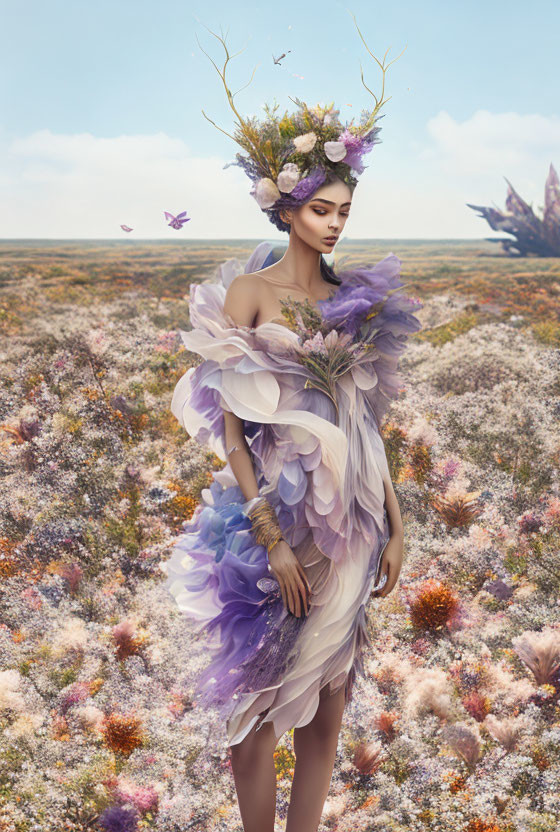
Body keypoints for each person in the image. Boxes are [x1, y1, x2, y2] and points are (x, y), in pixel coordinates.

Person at [160, 20, 421, 832]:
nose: (335, 222)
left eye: (344, 208)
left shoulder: (354, 296)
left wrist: (397, 519)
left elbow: (369, 417)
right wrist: (270, 533)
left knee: (329, 700)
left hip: (354, 511)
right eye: (320, 208)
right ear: (287, 208)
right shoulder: (252, 294)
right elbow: (233, 430)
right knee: (258, 704)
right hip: (275, 508)